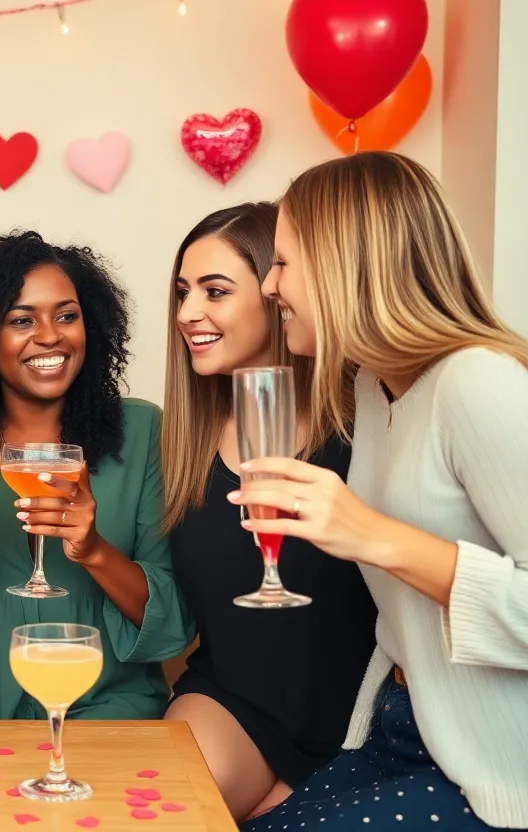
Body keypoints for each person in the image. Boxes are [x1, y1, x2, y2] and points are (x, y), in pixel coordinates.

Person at [235, 152, 528, 831]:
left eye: (282, 263)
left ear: (346, 263)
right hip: (406, 726)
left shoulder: (478, 384)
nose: (270, 286)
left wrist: (375, 535)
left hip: (493, 762)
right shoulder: (374, 384)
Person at [0, 230, 194, 719]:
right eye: (21, 320)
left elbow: (170, 625)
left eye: (66, 316)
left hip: (108, 708)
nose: (51, 335)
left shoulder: (143, 431)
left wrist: (93, 551)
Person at [160, 202, 376, 821]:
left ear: (278, 291)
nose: (187, 313)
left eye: (215, 291)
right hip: (232, 706)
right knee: (176, 808)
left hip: (356, 713)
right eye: (182, 292)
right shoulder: (182, 443)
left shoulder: (364, 425)